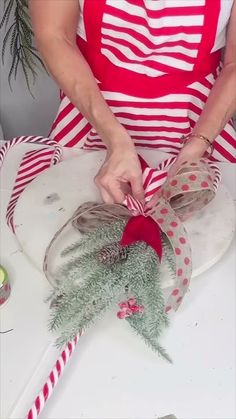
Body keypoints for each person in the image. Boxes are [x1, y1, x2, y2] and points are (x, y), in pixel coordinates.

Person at [29, 0, 236, 205]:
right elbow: (54, 36)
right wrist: (115, 140)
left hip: (204, 119)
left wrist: (198, 143)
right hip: (92, 113)